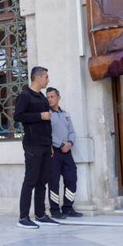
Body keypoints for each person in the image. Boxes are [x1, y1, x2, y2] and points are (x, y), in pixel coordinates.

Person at [14, 66, 58, 229]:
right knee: (30, 180)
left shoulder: (42, 98)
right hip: (32, 145)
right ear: (37, 78)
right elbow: (18, 116)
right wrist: (40, 116)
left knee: (42, 181)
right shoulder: (25, 96)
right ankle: (23, 217)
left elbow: (47, 123)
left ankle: (40, 215)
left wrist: (50, 144)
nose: (48, 80)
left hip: (46, 145)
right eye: (46, 77)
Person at [46, 87, 82, 219]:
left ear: (58, 98)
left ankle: (68, 208)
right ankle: (55, 210)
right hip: (54, 152)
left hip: (67, 152)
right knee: (54, 182)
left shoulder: (66, 114)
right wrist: (61, 145)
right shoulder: (47, 115)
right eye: (48, 97)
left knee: (72, 179)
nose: (50, 99)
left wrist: (70, 144)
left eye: (52, 96)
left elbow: (72, 131)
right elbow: (48, 134)